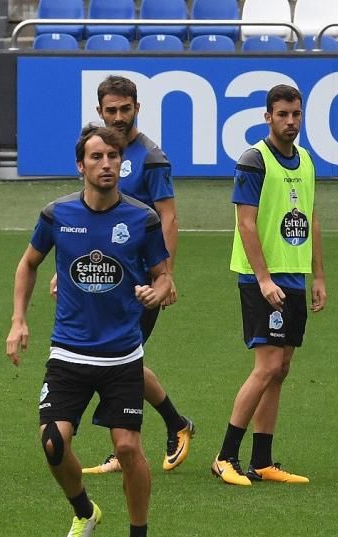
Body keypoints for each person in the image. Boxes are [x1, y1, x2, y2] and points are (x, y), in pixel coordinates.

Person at [6, 125, 172, 537]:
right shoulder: (57, 215)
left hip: (122, 356)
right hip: (69, 354)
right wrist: (18, 320)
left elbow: (163, 274)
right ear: (81, 166)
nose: (106, 165)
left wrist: (159, 290)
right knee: (52, 446)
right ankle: (84, 511)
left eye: (113, 157)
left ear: (122, 163)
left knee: (128, 449)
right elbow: (28, 264)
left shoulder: (142, 218)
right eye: (97, 157)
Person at [57, 75, 194, 476]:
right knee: (117, 362)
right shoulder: (100, 149)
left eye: (125, 109)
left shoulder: (151, 157)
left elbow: (168, 216)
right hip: (101, 281)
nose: (118, 117)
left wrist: (164, 276)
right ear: (99, 111)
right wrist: (65, 274)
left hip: (137, 284)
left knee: (120, 360)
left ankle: (157, 431)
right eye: (111, 110)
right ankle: (171, 425)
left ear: (137, 108)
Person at [211, 84, 326, 487]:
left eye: (296, 114)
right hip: (262, 278)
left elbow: (310, 219)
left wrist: (319, 277)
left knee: (282, 369)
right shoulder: (254, 161)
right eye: (282, 115)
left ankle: (262, 461)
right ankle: (225, 456)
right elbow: (246, 223)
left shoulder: (307, 160)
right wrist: (262, 279)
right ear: (268, 117)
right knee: (267, 366)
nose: (291, 121)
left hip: (293, 277)